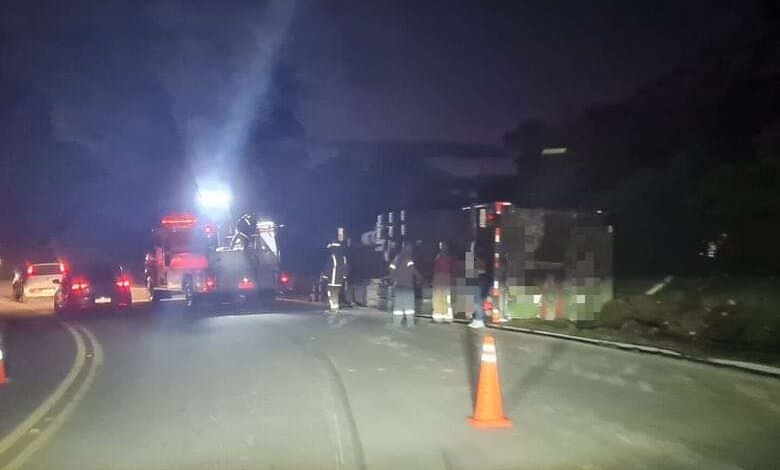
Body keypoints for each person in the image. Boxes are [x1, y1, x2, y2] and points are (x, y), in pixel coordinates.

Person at [389, 242, 419, 321]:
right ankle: (409, 321)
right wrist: (419, 277)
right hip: (407, 285)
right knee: (408, 303)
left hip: (398, 284)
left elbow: (391, 268)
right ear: (405, 248)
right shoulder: (408, 258)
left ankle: (397, 321)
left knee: (398, 303)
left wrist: (393, 279)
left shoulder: (397, 257)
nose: (411, 250)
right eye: (410, 248)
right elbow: (412, 269)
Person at [432, 241, 455, 323]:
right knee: (438, 296)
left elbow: (451, 268)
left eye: (442, 246)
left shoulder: (448, 257)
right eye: (440, 246)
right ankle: (438, 314)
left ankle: (446, 314)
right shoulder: (438, 256)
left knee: (446, 296)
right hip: (439, 278)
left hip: (445, 278)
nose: (441, 247)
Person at [322, 240, 347, 313]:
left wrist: (324, 276)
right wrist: (344, 277)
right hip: (340, 281)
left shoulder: (332, 257)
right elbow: (346, 269)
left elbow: (328, 268)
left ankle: (333, 308)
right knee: (336, 294)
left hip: (332, 280)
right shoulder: (343, 258)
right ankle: (336, 307)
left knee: (331, 293)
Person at [467, 243, 488, 328]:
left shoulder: (477, 258)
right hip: (478, 278)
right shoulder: (477, 257)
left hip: (478, 279)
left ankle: (479, 320)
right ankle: (476, 319)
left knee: (477, 301)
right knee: (476, 300)